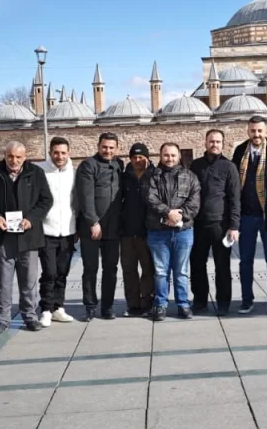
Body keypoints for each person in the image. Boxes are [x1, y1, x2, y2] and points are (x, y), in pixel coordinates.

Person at [0, 141, 53, 333]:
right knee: (1, 282)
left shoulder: (35, 173)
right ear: (5, 155)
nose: (14, 160)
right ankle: (2, 320)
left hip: (28, 236)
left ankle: (30, 316)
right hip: (1, 237)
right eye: (10, 156)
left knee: (29, 281)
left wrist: (32, 218)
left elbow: (46, 200)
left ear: (25, 157)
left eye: (18, 157)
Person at [231, 116, 267, 314]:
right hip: (246, 216)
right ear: (248, 131)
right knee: (245, 260)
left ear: (266, 131)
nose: (256, 134)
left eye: (260, 131)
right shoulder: (240, 151)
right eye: (253, 131)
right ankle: (247, 299)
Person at [145, 143, 201, 321]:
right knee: (161, 271)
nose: (169, 158)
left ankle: (183, 304)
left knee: (182, 270)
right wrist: (167, 213)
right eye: (166, 155)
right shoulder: (152, 176)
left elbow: (194, 202)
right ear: (160, 156)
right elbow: (149, 198)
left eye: (173, 155)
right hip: (158, 231)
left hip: (183, 231)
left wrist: (179, 215)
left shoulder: (190, 176)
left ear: (179, 156)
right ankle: (160, 304)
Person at [190, 129, 241, 316]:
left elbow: (235, 198)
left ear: (223, 144)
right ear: (205, 142)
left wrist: (234, 225)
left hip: (220, 225)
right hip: (198, 224)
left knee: (222, 265)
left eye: (218, 142)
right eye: (211, 141)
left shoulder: (229, 167)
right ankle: (200, 300)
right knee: (196, 263)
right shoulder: (196, 165)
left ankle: (223, 302)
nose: (214, 144)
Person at [76, 132, 124, 321]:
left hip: (113, 228)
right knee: (90, 268)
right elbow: (85, 197)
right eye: (105, 147)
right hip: (92, 229)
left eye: (111, 147)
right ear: (98, 146)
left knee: (111, 269)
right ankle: (89, 306)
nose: (108, 150)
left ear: (117, 148)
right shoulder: (88, 166)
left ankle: (107, 307)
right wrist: (93, 222)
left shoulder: (119, 165)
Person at [38, 137, 77, 327]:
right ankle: (45, 308)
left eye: (63, 153)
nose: (59, 156)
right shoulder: (40, 171)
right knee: (49, 272)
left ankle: (58, 307)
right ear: (50, 152)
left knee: (62, 272)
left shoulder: (74, 173)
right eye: (56, 152)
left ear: (68, 153)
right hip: (47, 231)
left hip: (68, 231)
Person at [120, 143, 155, 317]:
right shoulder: (124, 176)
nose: (137, 160)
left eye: (141, 157)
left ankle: (147, 303)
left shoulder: (154, 175)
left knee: (148, 269)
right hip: (127, 232)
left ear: (147, 158)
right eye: (134, 157)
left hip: (147, 231)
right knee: (129, 269)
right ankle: (133, 304)